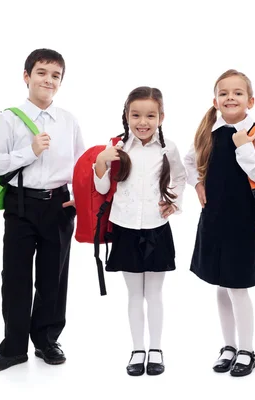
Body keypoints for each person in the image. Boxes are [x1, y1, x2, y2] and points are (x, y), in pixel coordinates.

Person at [0, 48, 85, 372]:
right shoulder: (9, 118)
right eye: (42, 72)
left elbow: (80, 163)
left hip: (58, 204)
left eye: (56, 75)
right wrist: (30, 151)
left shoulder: (68, 120)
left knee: (53, 276)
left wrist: (81, 198)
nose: (48, 80)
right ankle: (13, 347)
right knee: (15, 276)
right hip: (21, 204)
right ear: (27, 77)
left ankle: (46, 339)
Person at [184, 69, 255, 377]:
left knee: (238, 287)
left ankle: (247, 350)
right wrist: (198, 184)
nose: (230, 98)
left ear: (250, 100)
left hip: (242, 220)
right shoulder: (208, 134)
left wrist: (243, 146)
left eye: (237, 93)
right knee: (221, 286)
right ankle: (228, 346)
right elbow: (189, 161)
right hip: (213, 220)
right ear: (215, 100)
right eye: (224, 93)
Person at [93, 86, 186, 376]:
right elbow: (103, 188)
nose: (142, 122)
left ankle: (156, 348)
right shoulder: (117, 147)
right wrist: (101, 162)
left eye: (150, 115)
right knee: (134, 295)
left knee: (155, 294)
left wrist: (174, 203)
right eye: (135, 115)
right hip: (125, 227)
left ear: (161, 117)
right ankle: (137, 349)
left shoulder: (168, 147)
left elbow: (180, 177)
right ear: (126, 115)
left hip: (157, 228)